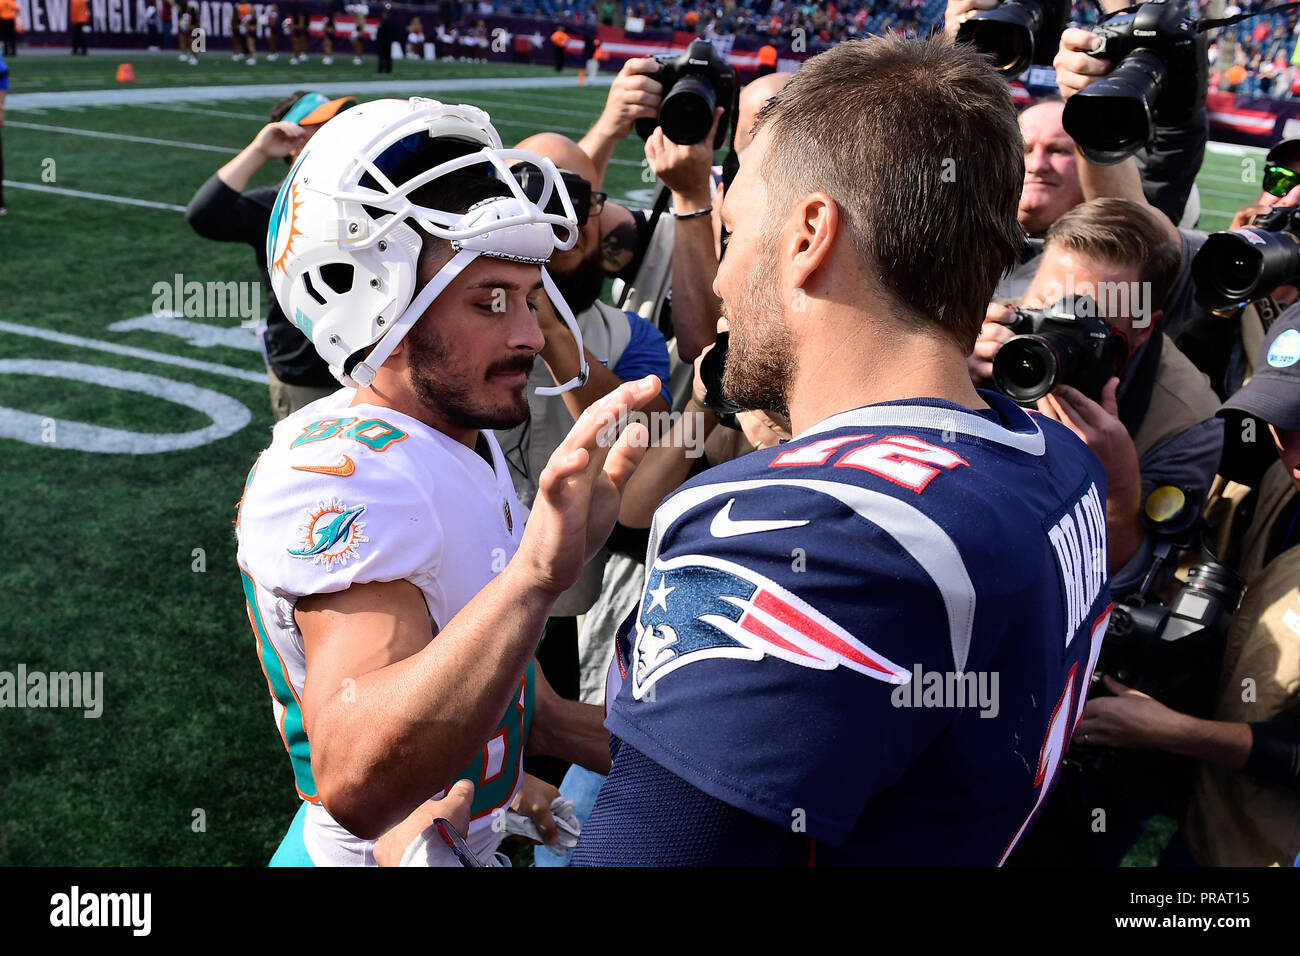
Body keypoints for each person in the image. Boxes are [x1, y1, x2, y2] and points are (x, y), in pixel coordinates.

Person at [572, 35, 1112, 866]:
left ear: (808, 233)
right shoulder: (1056, 456)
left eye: (733, 230)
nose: (718, 282)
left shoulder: (802, 532)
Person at [236, 97, 661, 865]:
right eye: (489, 301)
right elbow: (359, 780)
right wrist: (536, 576)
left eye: (530, 299)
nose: (530, 334)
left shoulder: (456, 435)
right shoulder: (345, 471)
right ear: (379, 298)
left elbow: (530, 705)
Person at [1076, 310, 1300, 867]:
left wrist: (1177, 732)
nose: (1293, 455)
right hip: (1215, 825)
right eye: (1283, 422)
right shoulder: (1275, 480)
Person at [970, 199, 1224, 600]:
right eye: (1046, 310)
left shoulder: (1185, 423)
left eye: (1089, 323)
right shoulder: (977, 337)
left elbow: (1137, 590)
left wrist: (1114, 490)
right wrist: (946, 373)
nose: (1052, 343)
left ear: (1145, 327)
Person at [186, 92, 356, 420]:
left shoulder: (365, 193)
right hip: (309, 375)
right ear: (293, 139)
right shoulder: (273, 207)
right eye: (326, 124)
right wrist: (260, 151)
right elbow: (204, 215)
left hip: (373, 369)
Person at [376, 3, 396, 73]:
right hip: (389, 41)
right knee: (388, 56)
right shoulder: (392, 22)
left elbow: (379, 32)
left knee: (382, 56)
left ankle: (380, 69)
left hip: (382, 41)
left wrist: (377, 39)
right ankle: (388, 70)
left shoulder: (383, 22)